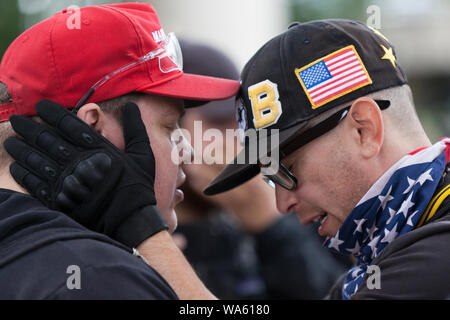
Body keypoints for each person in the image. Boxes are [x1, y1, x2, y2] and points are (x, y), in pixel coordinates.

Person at [0, 3, 239, 299]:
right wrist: (145, 231)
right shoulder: (100, 277)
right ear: (92, 130)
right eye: (170, 127)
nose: (187, 152)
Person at [204, 20, 450, 299]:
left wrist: (152, 236)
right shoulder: (375, 260)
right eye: (271, 180)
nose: (282, 205)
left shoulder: (436, 255)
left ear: (364, 130)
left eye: (288, 170)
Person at [174, 39, 352, 299]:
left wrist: (270, 224)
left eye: (243, 124)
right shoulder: (143, 242)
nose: (239, 141)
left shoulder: (290, 203)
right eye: (220, 123)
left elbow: (339, 291)